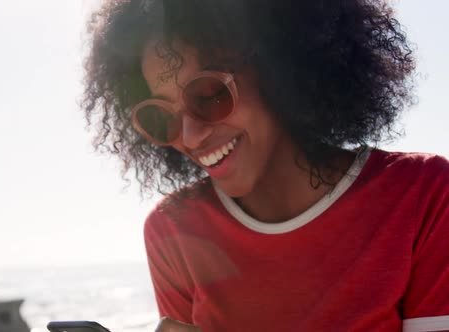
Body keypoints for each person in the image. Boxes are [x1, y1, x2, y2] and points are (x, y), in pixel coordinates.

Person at [82, 0, 449, 331]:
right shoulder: (174, 231)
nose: (190, 138)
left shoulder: (420, 195)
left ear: (280, 70)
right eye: (161, 117)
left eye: (209, 95)